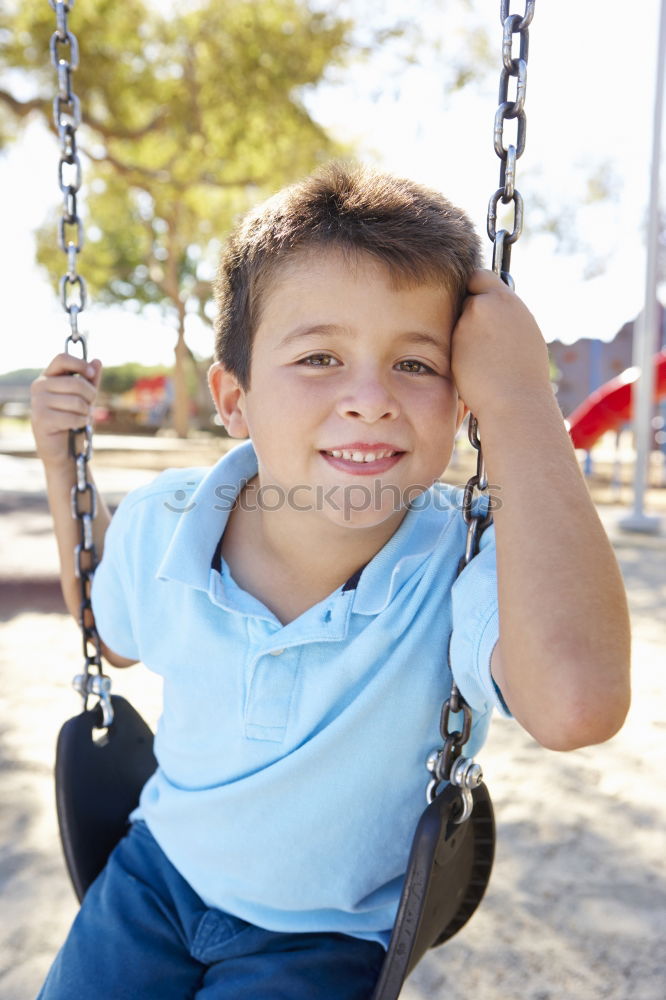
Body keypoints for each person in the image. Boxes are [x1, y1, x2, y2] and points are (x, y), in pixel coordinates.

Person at [30, 163, 631, 1000]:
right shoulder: (168, 521)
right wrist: (67, 475)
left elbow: (578, 705)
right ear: (234, 399)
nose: (370, 398)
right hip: (153, 881)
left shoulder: (467, 561)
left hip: (325, 936)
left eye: (417, 366)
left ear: (464, 401)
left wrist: (524, 401)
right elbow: (106, 629)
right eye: (319, 356)